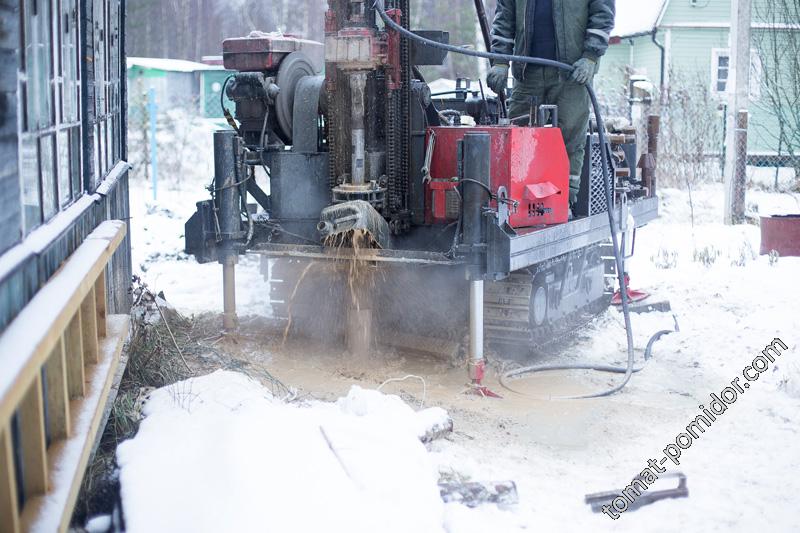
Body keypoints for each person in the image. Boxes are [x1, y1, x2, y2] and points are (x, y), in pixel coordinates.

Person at [487, 0, 615, 210]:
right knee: (518, 139)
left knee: (570, 139)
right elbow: (504, 19)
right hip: (528, 74)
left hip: (572, 73)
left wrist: (590, 57)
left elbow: (602, 14)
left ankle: (564, 203)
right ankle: (515, 205)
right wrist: (500, 62)